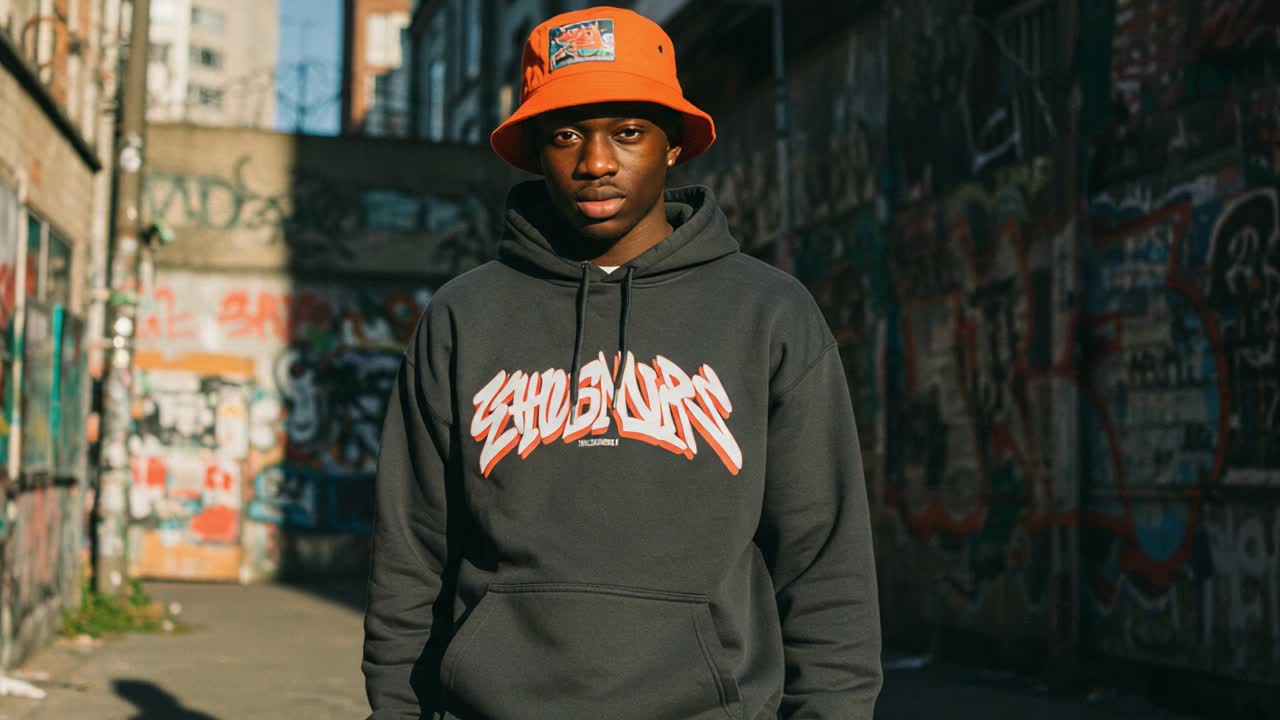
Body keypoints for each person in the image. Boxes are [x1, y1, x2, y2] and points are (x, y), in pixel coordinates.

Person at [362, 6, 882, 719]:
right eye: (566, 135)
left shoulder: (767, 313)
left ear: (673, 145)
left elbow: (824, 556)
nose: (596, 162)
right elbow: (410, 551)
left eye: (628, 132)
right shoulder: (464, 316)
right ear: (535, 150)